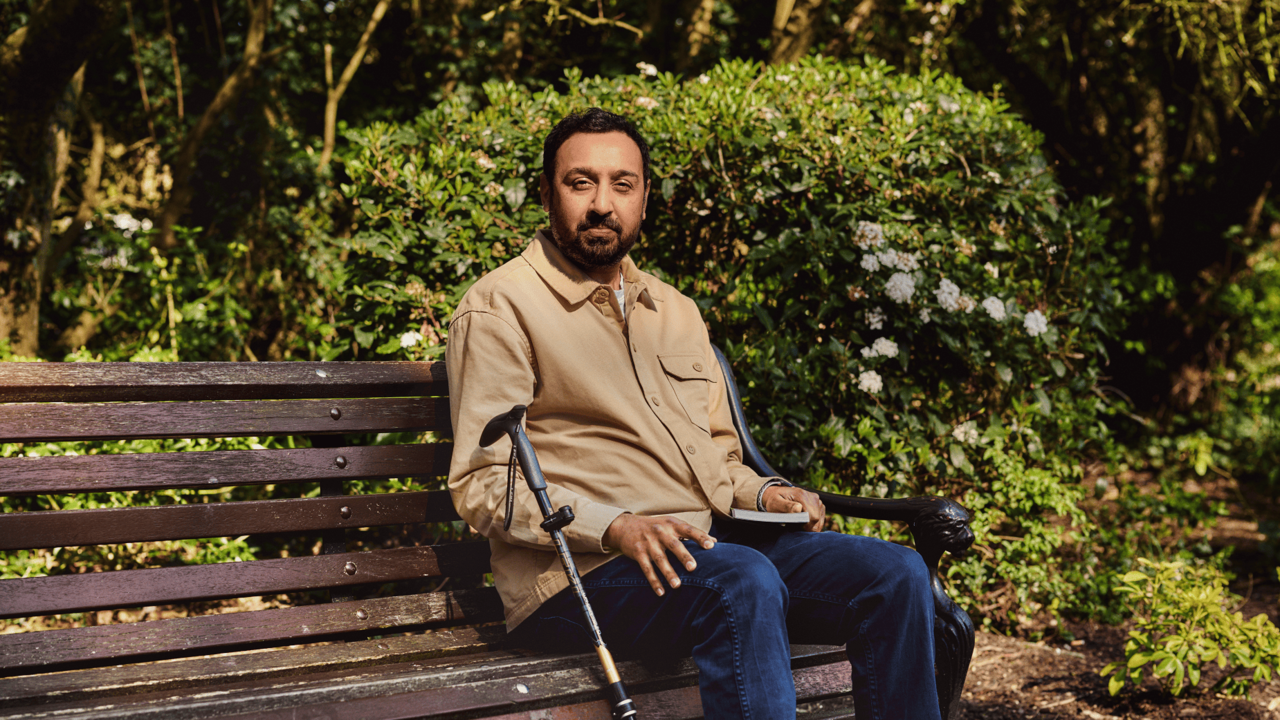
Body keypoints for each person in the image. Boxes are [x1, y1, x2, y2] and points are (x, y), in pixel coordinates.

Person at [446, 107, 941, 720]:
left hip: (707, 547)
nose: (603, 203)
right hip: (579, 574)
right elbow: (482, 483)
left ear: (645, 198)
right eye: (581, 183)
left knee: (894, 572)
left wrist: (768, 496)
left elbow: (718, 459)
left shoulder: (675, 311)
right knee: (741, 582)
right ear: (546, 192)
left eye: (622, 184)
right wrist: (617, 526)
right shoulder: (500, 307)